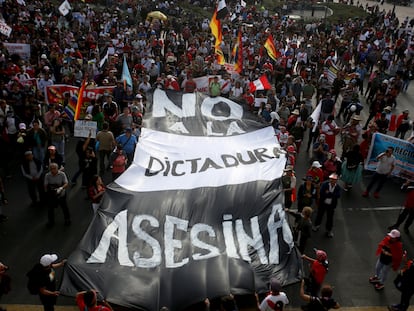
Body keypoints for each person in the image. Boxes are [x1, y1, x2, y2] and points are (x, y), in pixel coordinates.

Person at [312, 173, 341, 238]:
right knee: (320, 214)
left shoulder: (338, 187)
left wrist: (329, 193)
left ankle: (328, 230)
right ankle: (316, 225)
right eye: (332, 179)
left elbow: (338, 195)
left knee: (330, 218)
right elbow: (322, 193)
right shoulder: (325, 184)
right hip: (323, 203)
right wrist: (332, 194)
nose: (333, 181)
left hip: (331, 205)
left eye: (334, 180)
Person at [44, 163, 70, 227]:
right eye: (51, 169)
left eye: (54, 168)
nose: (53, 170)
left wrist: (61, 188)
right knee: (50, 208)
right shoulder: (47, 175)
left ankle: (67, 219)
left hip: (61, 192)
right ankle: (51, 221)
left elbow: (66, 183)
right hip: (52, 193)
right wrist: (47, 192)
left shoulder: (62, 174)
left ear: (57, 168)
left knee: (64, 207)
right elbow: (45, 184)